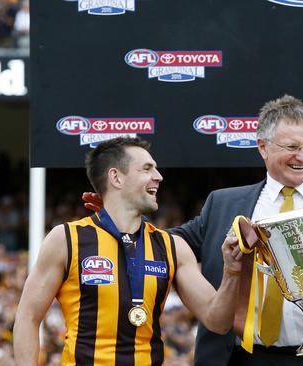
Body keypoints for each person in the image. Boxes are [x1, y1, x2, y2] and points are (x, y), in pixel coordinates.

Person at [85, 95, 303, 366]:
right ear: (262, 147)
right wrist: (119, 218)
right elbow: (165, 245)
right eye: (291, 147)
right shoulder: (222, 205)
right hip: (240, 356)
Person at [14, 137, 242, 366]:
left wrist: (232, 272)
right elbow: (27, 317)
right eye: (147, 168)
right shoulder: (66, 239)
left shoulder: (172, 246)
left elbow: (218, 322)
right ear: (116, 177)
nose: (158, 176)